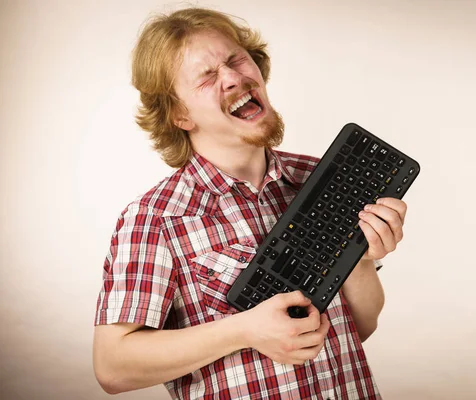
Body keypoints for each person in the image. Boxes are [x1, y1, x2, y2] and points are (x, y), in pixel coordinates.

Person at [93, 7, 408, 400]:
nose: (231, 78)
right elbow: (112, 367)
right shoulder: (155, 218)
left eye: (235, 60)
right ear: (179, 114)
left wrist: (360, 259)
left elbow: (359, 325)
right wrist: (243, 329)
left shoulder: (318, 179)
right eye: (206, 77)